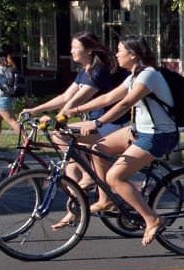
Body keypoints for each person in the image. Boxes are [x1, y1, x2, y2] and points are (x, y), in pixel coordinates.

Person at [64, 36, 178, 246]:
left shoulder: (148, 75)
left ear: (133, 54)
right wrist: (74, 110)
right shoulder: (133, 76)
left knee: (114, 177)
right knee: (97, 147)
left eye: (120, 50)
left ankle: (152, 219)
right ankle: (105, 200)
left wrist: (97, 123)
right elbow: (108, 98)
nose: (116, 54)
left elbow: (125, 104)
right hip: (140, 131)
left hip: (159, 135)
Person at [21, 32, 125, 213]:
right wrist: (35, 110)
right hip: (95, 124)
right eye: (72, 47)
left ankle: (89, 175)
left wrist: (58, 119)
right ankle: (74, 210)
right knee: (69, 163)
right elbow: (65, 97)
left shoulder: (98, 71)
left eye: (76, 47)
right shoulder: (84, 71)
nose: (72, 51)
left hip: (110, 125)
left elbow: (77, 100)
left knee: (60, 134)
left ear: (90, 50)